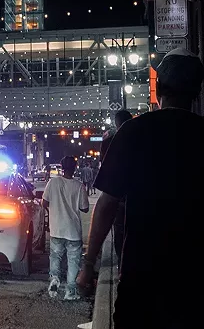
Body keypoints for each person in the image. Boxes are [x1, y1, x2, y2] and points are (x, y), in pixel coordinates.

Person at [78, 48, 204, 328]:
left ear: (158, 89)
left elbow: (107, 203)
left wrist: (89, 264)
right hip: (195, 279)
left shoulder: (133, 132)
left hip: (141, 275)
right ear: (196, 93)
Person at [41, 156, 89, 301]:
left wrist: (53, 210)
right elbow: (85, 208)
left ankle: (55, 278)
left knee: (55, 256)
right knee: (73, 261)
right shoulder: (79, 186)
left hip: (56, 228)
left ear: (61, 167)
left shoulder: (53, 182)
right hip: (73, 231)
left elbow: (44, 202)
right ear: (75, 168)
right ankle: (70, 292)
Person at [100, 109, 133, 263]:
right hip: (142, 195)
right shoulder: (145, 137)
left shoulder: (109, 142)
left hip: (118, 196)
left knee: (119, 230)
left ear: (116, 123)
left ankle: (122, 266)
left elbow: (105, 168)